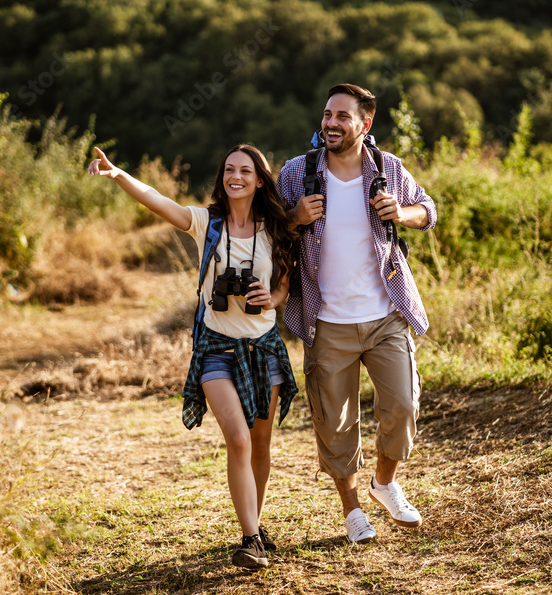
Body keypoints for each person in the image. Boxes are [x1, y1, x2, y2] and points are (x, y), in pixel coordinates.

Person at [88, 144, 299, 569]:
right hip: (216, 345)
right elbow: (157, 199)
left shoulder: (275, 228)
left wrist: (270, 299)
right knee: (237, 439)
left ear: (260, 180)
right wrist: (119, 175)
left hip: (263, 347)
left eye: (244, 171)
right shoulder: (207, 223)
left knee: (260, 444)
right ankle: (251, 537)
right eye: (228, 169)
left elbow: (284, 285)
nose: (234, 177)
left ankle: (254, 523)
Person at [277, 83, 437, 544]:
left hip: (385, 314)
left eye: (342, 117)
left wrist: (402, 214)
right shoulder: (296, 174)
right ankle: (351, 511)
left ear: (365, 125)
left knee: (403, 407)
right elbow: (270, 227)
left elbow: (428, 210)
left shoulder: (387, 169)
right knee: (335, 422)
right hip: (326, 322)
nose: (330, 122)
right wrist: (295, 219)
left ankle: (384, 483)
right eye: (328, 114)